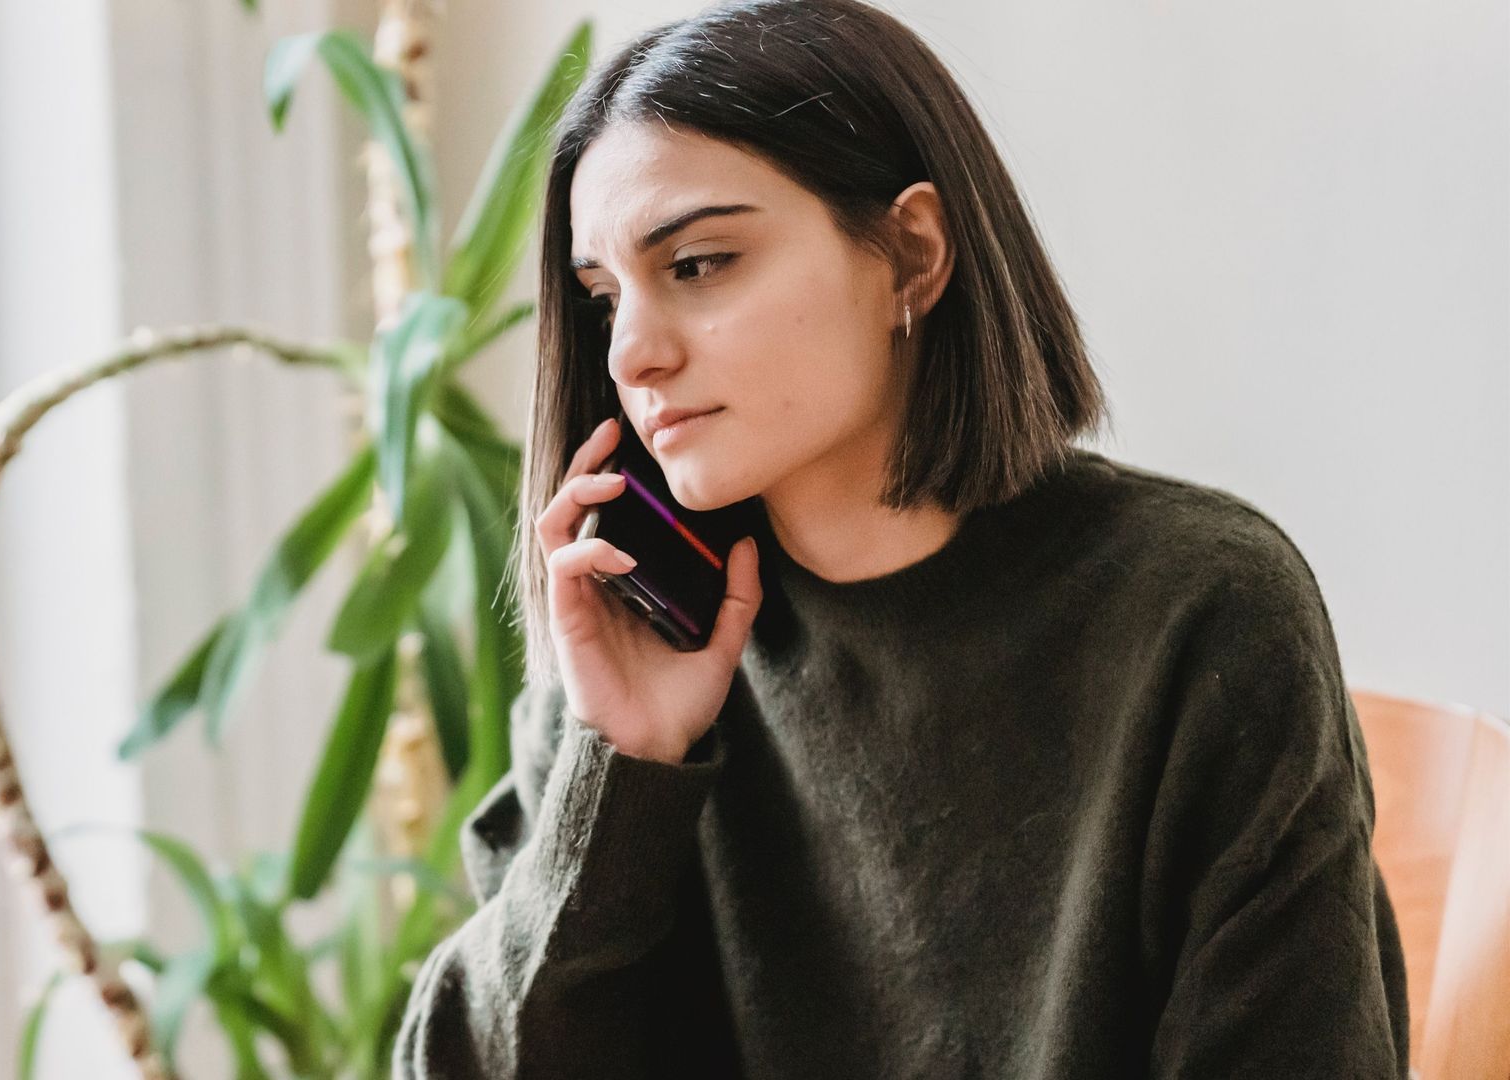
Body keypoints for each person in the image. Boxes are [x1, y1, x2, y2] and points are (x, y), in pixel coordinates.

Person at [392, 0, 1410, 1076]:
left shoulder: (1201, 616)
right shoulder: (636, 633)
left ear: (912, 255)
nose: (631, 355)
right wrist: (623, 776)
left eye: (697, 264)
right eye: (603, 299)